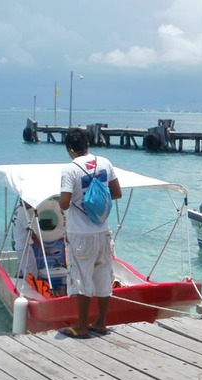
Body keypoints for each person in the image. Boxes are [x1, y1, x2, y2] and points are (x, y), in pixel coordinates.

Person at [59, 128, 122, 338]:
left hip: (80, 234)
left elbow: (65, 203)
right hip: (103, 230)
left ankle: (82, 326)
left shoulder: (70, 169)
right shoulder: (105, 162)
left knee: (81, 278)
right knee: (103, 274)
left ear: (69, 148)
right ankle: (101, 323)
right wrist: (94, 203)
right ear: (87, 144)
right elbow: (117, 193)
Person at [11, 200, 40, 278]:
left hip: (18, 244)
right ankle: (31, 287)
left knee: (22, 268)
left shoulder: (17, 209)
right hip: (24, 246)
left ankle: (19, 279)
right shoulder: (24, 214)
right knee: (31, 271)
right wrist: (40, 246)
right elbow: (30, 232)